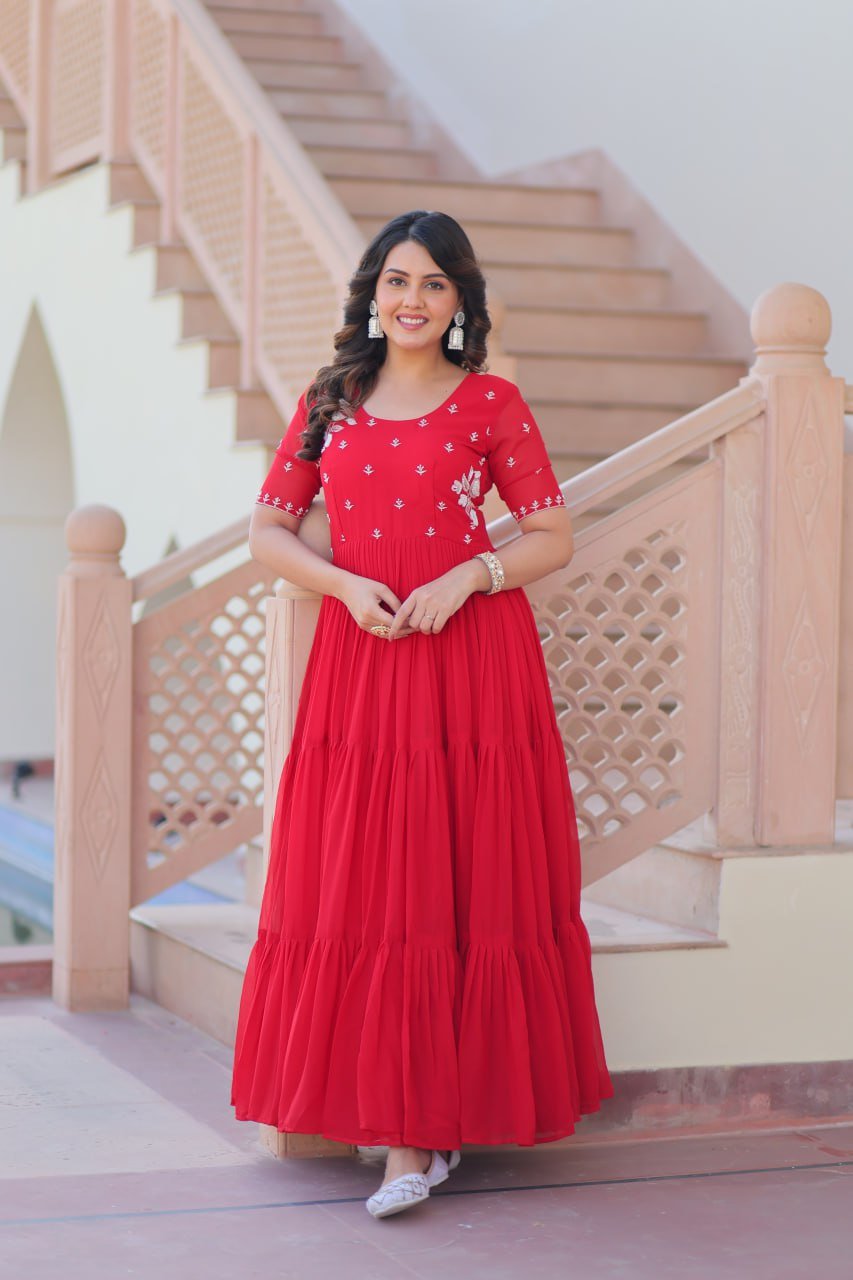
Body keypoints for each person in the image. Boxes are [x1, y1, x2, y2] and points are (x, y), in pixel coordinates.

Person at [230, 210, 614, 1219]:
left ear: (459, 304)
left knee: (459, 880)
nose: (410, 298)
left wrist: (473, 576)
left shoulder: (491, 402)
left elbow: (551, 535)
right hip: (365, 660)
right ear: (371, 293)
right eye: (396, 280)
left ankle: (422, 1138)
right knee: (373, 886)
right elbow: (268, 525)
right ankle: (404, 1130)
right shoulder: (331, 400)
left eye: (434, 284)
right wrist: (344, 587)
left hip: (472, 666)